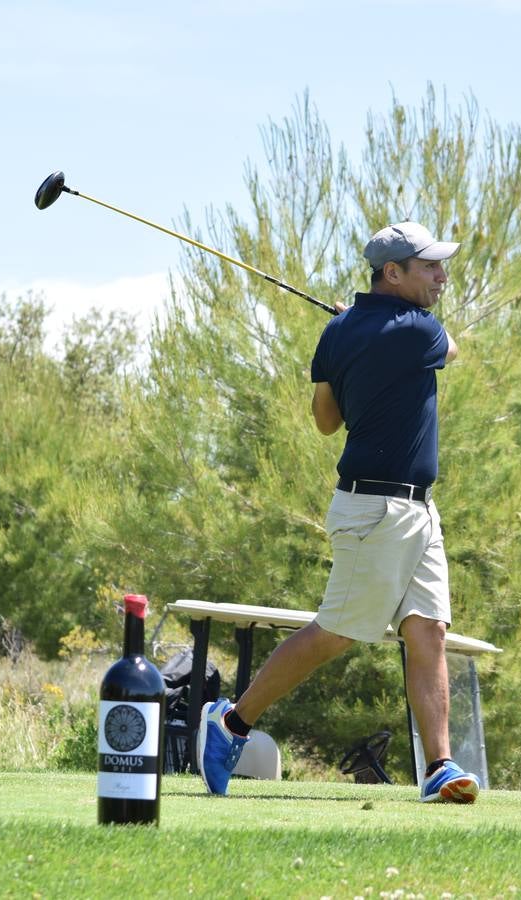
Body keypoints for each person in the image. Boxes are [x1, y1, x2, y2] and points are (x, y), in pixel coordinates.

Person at [195, 221, 479, 804]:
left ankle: (439, 768)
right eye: (430, 268)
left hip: (418, 511)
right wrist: (373, 333)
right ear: (392, 273)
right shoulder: (418, 329)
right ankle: (230, 724)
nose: (442, 278)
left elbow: (326, 419)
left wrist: (355, 335)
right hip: (376, 510)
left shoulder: (339, 333)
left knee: (427, 630)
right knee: (335, 633)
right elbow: (452, 349)